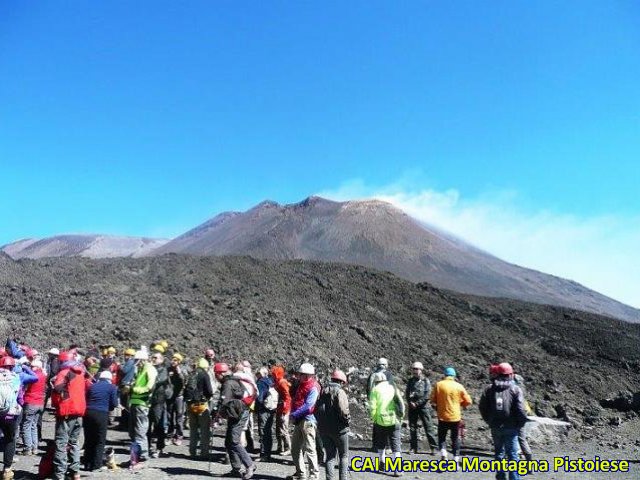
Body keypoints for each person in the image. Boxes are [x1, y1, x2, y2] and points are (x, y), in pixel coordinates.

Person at [479, 363, 529, 480]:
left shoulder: (489, 388)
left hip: (495, 426)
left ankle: (501, 477)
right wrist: (520, 424)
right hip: (511, 427)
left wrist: (489, 421)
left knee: (499, 453)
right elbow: (521, 409)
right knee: (513, 455)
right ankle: (514, 478)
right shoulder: (516, 389)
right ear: (510, 374)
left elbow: (482, 407)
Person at [51, 351, 89, 480]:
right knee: (74, 443)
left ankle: (59, 475)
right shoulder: (81, 373)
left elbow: (57, 389)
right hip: (79, 411)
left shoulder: (64, 372)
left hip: (67, 411)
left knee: (61, 444)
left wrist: (59, 399)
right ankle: (75, 472)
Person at [216, 362, 256, 479]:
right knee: (229, 441)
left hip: (238, 413)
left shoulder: (228, 383)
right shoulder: (234, 380)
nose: (215, 376)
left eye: (216, 374)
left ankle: (249, 465)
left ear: (220, 374)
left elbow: (224, 401)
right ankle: (236, 469)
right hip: (237, 412)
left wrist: (217, 417)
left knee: (233, 441)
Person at [0, 356, 37, 480]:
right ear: (12, 366)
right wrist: (25, 367)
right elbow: (34, 378)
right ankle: (7, 470)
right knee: (10, 439)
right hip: (11, 413)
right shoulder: (18, 376)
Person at [430, 367, 472, 463]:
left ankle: (444, 454)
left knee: (442, 437)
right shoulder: (459, 386)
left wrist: (438, 405)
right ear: (454, 376)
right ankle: (456, 459)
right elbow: (469, 401)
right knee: (455, 438)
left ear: (444, 375)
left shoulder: (438, 385)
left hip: (442, 416)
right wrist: (461, 404)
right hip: (455, 417)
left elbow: (432, 400)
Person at [287, 363, 320, 480]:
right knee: (295, 448)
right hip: (300, 420)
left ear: (306, 376)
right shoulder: (302, 385)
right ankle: (301, 474)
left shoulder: (313, 387)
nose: (298, 376)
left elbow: (308, 405)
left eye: (300, 374)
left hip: (308, 421)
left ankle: (314, 476)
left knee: (310, 449)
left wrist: (294, 414)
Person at [316, 369, 350, 480]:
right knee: (343, 456)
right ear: (341, 382)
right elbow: (344, 411)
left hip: (324, 430)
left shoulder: (322, 391)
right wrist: (347, 420)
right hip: (340, 430)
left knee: (330, 457)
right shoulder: (340, 392)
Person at [369, 371, 404, 477]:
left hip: (380, 421)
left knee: (381, 443)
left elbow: (372, 407)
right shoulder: (393, 387)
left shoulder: (374, 390)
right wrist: (401, 417)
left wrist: (374, 418)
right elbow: (401, 403)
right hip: (394, 420)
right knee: (396, 445)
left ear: (376, 381)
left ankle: (382, 463)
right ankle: (397, 469)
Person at [84, 370, 119, 471]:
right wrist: (109, 408)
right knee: (100, 440)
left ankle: (87, 462)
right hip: (101, 414)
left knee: (89, 439)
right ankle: (96, 464)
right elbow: (114, 403)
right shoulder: (112, 387)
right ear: (109, 379)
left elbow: (87, 398)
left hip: (88, 413)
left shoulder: (92, 386)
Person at [128, 349, 157, 469]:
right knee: (133, 432)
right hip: (135, 403)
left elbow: (149, 387)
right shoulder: (140, 369)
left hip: (142, 404)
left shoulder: (149, 369)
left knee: (140, 432)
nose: (135, 362)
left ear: (142, 359)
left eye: (137, 360)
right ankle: (135, 458)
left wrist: (134, 389)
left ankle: (143, 458)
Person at [184, 358, 214, 459]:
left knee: (193, 429)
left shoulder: (192, 374)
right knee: (204, 430)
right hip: (201, 405)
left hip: (190, 405)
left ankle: (192, 451)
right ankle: (204, 452)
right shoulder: (205, 374)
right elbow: (209, 391)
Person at [405, 361, 437, 454]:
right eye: (414, 369)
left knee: (428, 427)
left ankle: (433, 447)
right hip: (412, 407)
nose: (415, 371)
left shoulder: (425, 381)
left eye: (417, 369)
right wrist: (410, 402)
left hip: (424, 407)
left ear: (421, 370)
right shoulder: (410, 381)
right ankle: (413, 447)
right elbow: (407, 393)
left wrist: (417, 403)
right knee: (412, 427)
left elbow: (428, 395)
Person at [21, 358, 47, 456]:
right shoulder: (44, 375)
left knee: (26, 425)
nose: (31, 368)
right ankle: (34, 447)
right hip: (40, 402)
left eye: (33, 366)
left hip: (31, 401)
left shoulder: (33, 376)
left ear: (37, 367)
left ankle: (28, 448)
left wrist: (25, 368)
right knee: (34, 425)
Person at [148, 352, 171, 458]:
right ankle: (148, 446)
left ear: (161, 360)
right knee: (147, 424)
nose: (153, 359)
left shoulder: (163, 370)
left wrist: (148, 383)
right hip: (149, 400)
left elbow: (158, 381)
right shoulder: (149, 368)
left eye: (155, 358)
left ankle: (159, 447)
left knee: (159, 423)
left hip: (159, 400)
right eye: (152, 357)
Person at [255, 366, 277, 461]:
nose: (257, 375)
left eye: (258, 373)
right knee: (269, 430)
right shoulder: (270, 381)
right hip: (271, 408)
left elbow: (259, 398)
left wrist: (256, 407)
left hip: (263, 409)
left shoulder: (260, 382)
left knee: (263, 431)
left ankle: (264, 454)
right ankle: (268, 453)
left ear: (261, 374)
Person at [271, 365, 292, 455]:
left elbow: (288, 397)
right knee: (279, 429)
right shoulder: (279, 382)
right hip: (280, 408)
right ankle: (281, 447)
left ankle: (288, 448)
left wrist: (285, 410)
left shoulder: (282, 383)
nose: (273, 376)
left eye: (274, 374)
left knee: (283, 429)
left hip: (284, 409)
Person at [167, 352, 186, 445]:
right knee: (169, 417)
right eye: (173, 359)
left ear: (179, 361)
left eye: (175, 360)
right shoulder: (168, 369)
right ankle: (170, 436)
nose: (173, 361)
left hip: (179, 396)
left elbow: (183, 382)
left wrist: (179, 373)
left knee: (179, 417)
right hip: (170, 396)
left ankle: (179, 436)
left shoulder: (182, 370)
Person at [513, 371, 533, 461]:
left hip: (515, 415)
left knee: (513, 435)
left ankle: (516, 454)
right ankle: (528, 459)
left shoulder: (512, 390)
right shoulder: (521, 390)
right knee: (521, 438)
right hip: (523, 413)